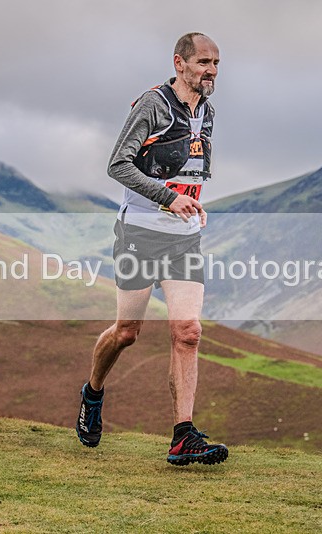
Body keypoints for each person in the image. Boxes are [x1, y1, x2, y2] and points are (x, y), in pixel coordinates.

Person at [76, 32, 228, 465]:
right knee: (127, 333)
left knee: (188, 332)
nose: (211, 71)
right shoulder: (154, 104)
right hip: (138, 235)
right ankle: (92, 393)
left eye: (216, 63)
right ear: (179, 63)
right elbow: (117, 164)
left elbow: (189, 169)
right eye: (203, 62)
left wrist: (194, 203)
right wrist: (168, 198)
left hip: (184, 239)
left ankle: (183, 436)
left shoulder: (208, 112)